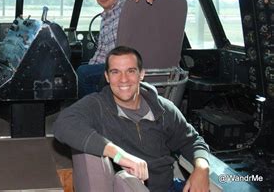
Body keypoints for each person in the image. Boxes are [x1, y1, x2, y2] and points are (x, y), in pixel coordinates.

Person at [54, 46, 210, 192]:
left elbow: (192, 141)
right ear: (107, 77)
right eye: (115, 72)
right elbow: (63, 124)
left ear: (141, 74)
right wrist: (119, 155)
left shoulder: (163, 109)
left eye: (130, 71)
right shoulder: (97, 106)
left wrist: (202, 168)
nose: (123, 79)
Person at [77, 0, 156, 98]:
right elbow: (102, 52)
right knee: (83, 71)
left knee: (82, 73)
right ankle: (101, 106)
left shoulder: (125, 7)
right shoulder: (103, 19)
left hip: (125, 62)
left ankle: (95, 109)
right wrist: (90, 66)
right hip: (110, 63)